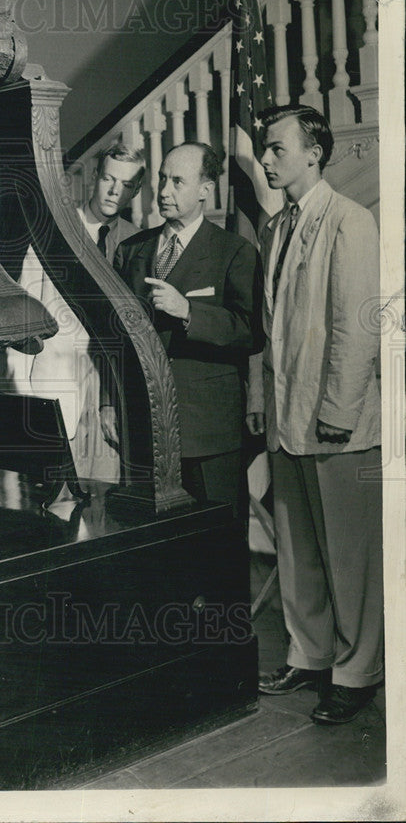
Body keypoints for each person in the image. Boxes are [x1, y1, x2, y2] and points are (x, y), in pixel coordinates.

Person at [247, 104, 383, 725]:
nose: (266, 160)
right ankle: (310, 653)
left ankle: (357, 672)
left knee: (349, 558)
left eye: (276, 149)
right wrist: (263, 404)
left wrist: (337, 413)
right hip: (287, 418)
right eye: (264, 150)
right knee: (298, 550)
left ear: (314, 153)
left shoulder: (350, 222)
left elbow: (356, 331)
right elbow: (273, 335)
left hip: (337, 425)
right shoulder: (276, 229)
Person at [113, 142, 263, 521]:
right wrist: (107, 404)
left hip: (209, 433)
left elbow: (250, 331)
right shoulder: (131, 251)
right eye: (163, 179)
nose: (163, 191)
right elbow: (113, 340)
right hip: (145, 429)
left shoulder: (235, 251)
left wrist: (188, 311)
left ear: (205, 189)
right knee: (153, 549)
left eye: (177, 181)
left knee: (220, 546)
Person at [0, 143, 143, 482]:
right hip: (55, 389)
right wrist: (24, 399)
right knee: (57, 507)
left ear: (137, 190)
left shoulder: (138, 243)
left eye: (127, 184)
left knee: (106, 500)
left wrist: (116, 401)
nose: (115, 191)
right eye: (108, 178)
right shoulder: (54, 233)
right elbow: (24, 318)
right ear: (94, 177)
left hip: (110, 396)